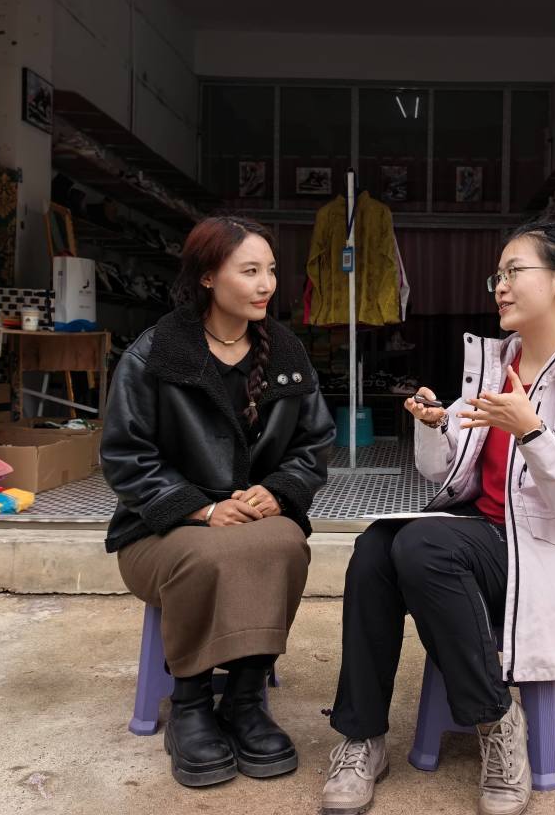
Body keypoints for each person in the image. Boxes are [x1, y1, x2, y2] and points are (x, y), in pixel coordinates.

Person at [321, 219, 555, 815]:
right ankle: (361, 736)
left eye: (515, 271)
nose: (501, 286)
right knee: (374, 549)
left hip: (548, 555)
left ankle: (497, 722)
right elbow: (447, 476)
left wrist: (532, 432)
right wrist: (435, 425)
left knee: (424, 546)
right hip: (486, 538)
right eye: (498, 276)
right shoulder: (497, 366)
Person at [101, 216, 335, 789]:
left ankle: (245, 700)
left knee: (285, 544)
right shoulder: (156, 353)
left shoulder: (285, 351)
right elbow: (126, 456)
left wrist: (279, 491)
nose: (266, 284)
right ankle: (190, 705)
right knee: (208, 554)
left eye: (270, 270)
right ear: (208, 277)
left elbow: (314, 443)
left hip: (256, 518)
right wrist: (201, 510)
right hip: (159, 528)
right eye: (249, 271)